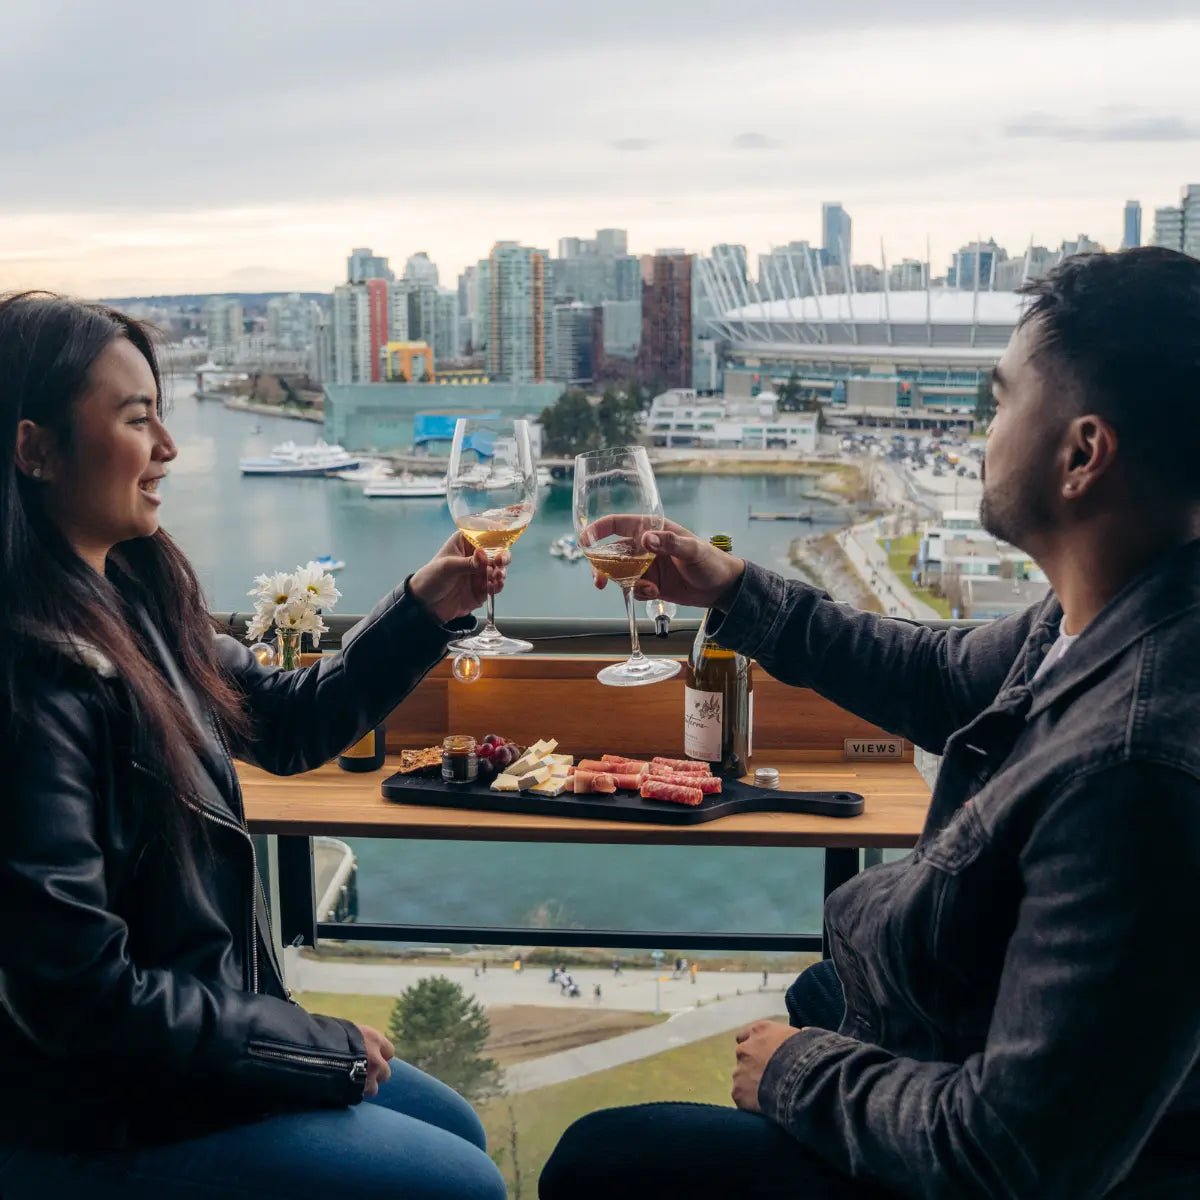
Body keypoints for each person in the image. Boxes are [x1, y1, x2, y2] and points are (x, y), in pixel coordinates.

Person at [542, 249, 1200, 1197]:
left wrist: (797, 1073)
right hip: (964, 1031)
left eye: (1002, 399)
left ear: (1082, 454)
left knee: (603, 1162)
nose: (982, 429)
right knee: (824, 989)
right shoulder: (1100, 613)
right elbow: (936, 676)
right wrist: (729, 588)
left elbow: (1008, 1154)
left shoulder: (1139, 769)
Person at [0, 294, 507, 1200]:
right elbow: (77, 995)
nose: (169, 447)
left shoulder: (136, 601)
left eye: (161, 412)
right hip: (98, 1111)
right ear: (33, 449)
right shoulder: (32, 679)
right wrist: (314, 1046)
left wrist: (426, 609)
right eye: (135, 418)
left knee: (459, 1128)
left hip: (178, 1064)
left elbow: (287, 720)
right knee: (458, 1182)